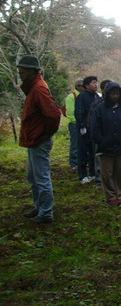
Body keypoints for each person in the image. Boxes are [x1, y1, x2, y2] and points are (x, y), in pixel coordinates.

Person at [17, 55, 62, 224]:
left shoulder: (38, 89)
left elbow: (53, 114)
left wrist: (45, 135)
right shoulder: (34, 87)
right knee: (33, 176)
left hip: (38, 140)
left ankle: (46, 212)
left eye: (22, 69)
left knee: (41, 177)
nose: (20, 72)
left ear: (31, 71)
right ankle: (39, 207)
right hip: (34, 139)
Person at [91, 82, 121, 205]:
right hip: (105, 147)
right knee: (107, 173)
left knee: (118, 172)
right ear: (107, 94)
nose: (115, 96)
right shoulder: (100, 108)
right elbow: (95, 127)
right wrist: (101, 140)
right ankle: (110, 196)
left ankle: (119, 195)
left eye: (117, 94)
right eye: (112, 94)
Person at [75, 75, 100, 184]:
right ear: (86, 85)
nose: (96, 85)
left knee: (93, 152)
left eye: (96, 82)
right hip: (84, 128)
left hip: (94, 129)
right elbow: (79, 112)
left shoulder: (97, 96)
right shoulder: (82, 97)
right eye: (93, 83)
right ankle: (83, 175)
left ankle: (93, 173)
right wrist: (82, 126)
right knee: (83, 152)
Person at [62, 79, 84, 172]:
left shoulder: (84, 96)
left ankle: (82, 163)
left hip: (83, 123)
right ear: (78, 87)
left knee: (83, 144)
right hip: (75, 124)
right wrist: (78, 120)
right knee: (75, 144)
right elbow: (70, 112)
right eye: (82, 86)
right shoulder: (71, 97)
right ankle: (74, 164)